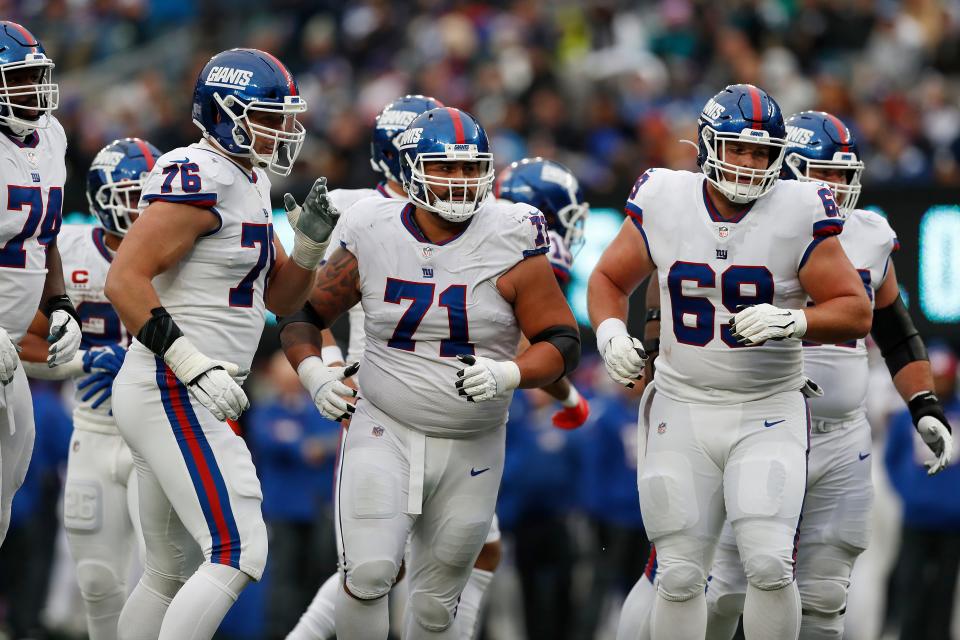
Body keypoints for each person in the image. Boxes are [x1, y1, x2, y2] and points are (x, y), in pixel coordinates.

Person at [278, 106, 580, 640]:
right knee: (369, 573)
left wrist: (510, 373)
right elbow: (303, 313)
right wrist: (316, 373)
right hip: (382, 423)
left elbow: (561, 340)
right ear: (413, 168)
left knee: (437, 604)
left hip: (473, 440)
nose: (460, 182)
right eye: (445, 168)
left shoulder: (513, 231)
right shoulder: (369, 224)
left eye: (471, 169)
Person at [588, 84, 873, 640]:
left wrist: (795, 321)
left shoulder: (799, 207)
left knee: (768, 564)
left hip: (766, 407)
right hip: (682, 406)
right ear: (707, 144)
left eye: (763, 153)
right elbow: (607, 278)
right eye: (739, 149)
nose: (749, 163)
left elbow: (856, 310)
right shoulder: (664, 196)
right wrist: (609, 331)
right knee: (678, 573)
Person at [104, 48, 337, 640]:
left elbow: (281, 299)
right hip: (174, 383)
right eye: (268, 114)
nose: (284, 128)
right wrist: (191, 365)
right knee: (239, 550)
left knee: (167, 572)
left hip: (177, 385)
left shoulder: (246, 177)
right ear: (225, 112)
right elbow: (124, 280)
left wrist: (307, 245)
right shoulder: (201, 172)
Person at [698, 111, 954, 640]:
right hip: (757, 423)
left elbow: (896, 331)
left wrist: (924, 404)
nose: (835, 188)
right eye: (822, 174)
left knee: (826, 592)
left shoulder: (869, 236)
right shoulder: (746, 228)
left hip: (842, 436)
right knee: (725, 585)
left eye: (843, 175)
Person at [17, 137, 161, 640]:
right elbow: (17, 338)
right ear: (100, 196)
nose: (138, 208)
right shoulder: (72, 252)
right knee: (97, 579)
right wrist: (79, 361)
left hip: (163, 432)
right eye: (128, 194)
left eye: (148, 196)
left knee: (161, 574)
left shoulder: (183, 255)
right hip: (93, 428)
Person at [0, 20, 83, 547]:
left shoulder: (51, 135)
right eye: (20, 77)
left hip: (9, 353)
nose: (35, 90)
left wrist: (60, 302)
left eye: (37, 76)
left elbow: (43, 232)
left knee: (4, 499)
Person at [496, 157, 591, 429]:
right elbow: (529, 348)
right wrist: (572, 399)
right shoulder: (543, 245)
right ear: (545, 214)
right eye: (566, 215)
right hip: (483, 387)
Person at [885, 343, 960, 640]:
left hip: (953, 522)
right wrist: (908, 494)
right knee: (910, 587)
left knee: (945, 592)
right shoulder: (909, 417)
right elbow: (891, 458)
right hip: (916, 519)